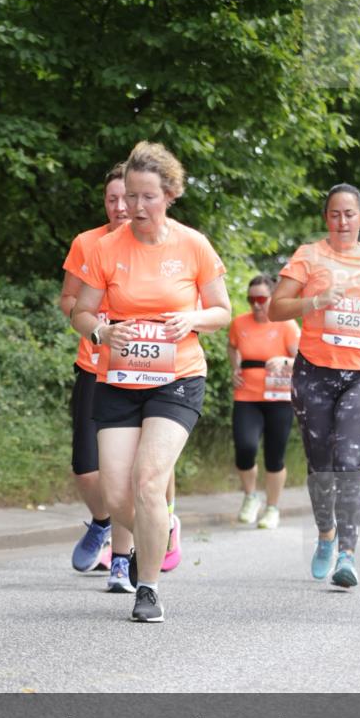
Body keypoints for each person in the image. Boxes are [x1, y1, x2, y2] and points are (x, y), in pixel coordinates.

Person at [71, 141, 231, 622]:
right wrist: (101, 330)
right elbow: (80, 312)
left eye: (148, 197)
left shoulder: (193, 245)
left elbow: (223, 311)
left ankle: (148, 587)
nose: (135, 208)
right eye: (131, 197)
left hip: (176, 378)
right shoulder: (105, 248)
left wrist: (193, 319)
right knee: (118, 496)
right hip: (118, 378)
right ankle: (159, 527)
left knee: (148, 482)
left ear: (170, 195)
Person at [60, 165, 183, 592]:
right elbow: (71, 303)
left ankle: (123, 559)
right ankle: (102, 522)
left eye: (127, 197)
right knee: (87, 470)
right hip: (97, 365)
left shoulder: (172, 245)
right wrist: (99, 326)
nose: (122, 206)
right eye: (114, 199)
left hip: (157, 372)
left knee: (140, 474)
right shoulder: (90, 245)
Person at [268, 183, 360, 588]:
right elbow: (275, 308)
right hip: (316, 370)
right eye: (335, 214)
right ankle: (326, 534)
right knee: (321, 462)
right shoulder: (309, 256)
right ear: (327, 218)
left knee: (349, 462)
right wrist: (315, 302)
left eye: (350, 214)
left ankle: (348, 554)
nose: (342, 221)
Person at [228, 275, 300, 529]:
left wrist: (284, 362)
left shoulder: (287, 325)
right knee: (245, 448)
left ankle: (272, 508)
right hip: (247, 396)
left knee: (274, 456)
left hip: (278, 399)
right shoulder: (239, 323)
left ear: (272, 298)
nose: (256, 305)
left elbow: (305, 360)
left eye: (261, 299)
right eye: (251, 300)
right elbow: (231, 347)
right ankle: (250, 497)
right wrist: (235, 368)